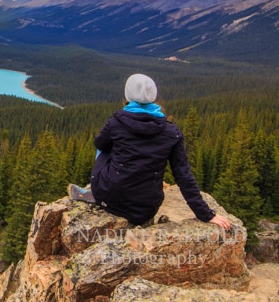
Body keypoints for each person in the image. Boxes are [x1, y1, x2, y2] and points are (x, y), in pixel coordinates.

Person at [69, 73, 231, 230]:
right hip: (145, 209)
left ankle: (97, 190)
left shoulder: (116, 122)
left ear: (128, 96)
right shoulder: (171, 132)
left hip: (110, 200)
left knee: (104, 148)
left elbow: (100, 144)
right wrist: (206, 214)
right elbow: (183, 175)